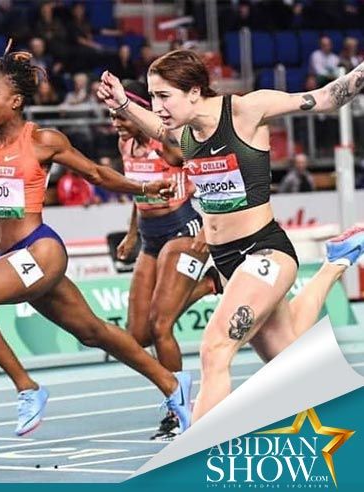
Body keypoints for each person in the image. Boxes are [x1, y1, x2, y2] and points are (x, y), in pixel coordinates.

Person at [0, 36, 192, 437]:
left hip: (40, 250)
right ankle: (173, 385)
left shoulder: (42, 141)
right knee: (93, 332)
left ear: (15, 101)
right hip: (13, 258)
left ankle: (28, 388)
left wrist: (143, 188)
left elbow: (96, 174)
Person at [96, 50, 364, 424]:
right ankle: (335, 262)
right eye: (153, 96)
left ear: (194, 91)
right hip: (225, 260)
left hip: (264, 251)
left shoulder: (245, 111)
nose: (157, 106)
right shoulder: (184, 131)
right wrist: (124, 104)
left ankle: (199, 449)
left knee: (215, 348)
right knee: (287, 355)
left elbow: (323, 98)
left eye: (163, 96)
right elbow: (157, 128)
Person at [111, 79, 219, 439]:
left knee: (161, 326)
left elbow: (209, 178)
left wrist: (208, 227)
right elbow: (136, 190)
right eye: (112, 117)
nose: (116, 123)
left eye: (121, 116)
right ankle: (208, 285)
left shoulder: (168, 145)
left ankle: (179, 409)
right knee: (137, 335)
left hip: (182, 229)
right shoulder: (125, 143)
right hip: (150, 236)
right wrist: (131, 233)